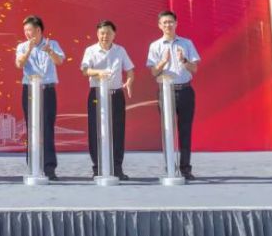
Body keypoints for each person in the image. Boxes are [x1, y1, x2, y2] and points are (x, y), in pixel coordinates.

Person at [146, 10, 201, 181]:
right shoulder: (155, 46)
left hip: (185, 90)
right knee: (167, 130)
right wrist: (163, 61)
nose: (168, 25)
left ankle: (185, 168)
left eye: (171, 22)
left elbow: (195, 68)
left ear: (176, 23)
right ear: (159, 25)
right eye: (164, 22)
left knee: (185, 130)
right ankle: (170, 166)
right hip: (165, 91)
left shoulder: (186, 43)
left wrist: (184, 60)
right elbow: (153, 72)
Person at [80, 20, 134, 180]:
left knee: (118, 131)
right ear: (97, 34)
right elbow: (85, 70)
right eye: (102, 33)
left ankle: (117, 168)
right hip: (97, 94)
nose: (105, 36)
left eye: (108, 33)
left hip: (116, 94)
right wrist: (98, 73)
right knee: (95, 130)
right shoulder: (90, 50)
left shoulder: (120, 50)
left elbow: (130, 70)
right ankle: (98, 168)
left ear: (114, 34)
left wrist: (129, 81)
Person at [15, 15, 65, 181]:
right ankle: (33, 166)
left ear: (38, 30)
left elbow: (59, 61)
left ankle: (49, 168)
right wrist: (28, 49)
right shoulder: (22, 46)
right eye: (25, 30)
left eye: (29, 30)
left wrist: (49, 51)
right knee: (31, 127)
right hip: (29, 90)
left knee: (47, 128)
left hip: (47, 89)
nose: (27, 33)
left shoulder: (53, 44)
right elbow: (19, 64)